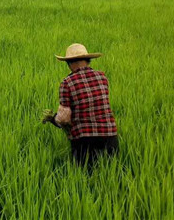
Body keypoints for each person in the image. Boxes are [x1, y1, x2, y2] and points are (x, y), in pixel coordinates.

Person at [42, 43, 118, 171]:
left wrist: (52, 118)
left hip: (84, 141)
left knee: (85, 179)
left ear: (69, 63)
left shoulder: (67, 83)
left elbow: (64, 118)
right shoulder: (102, 77)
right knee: (111, 174)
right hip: (110, 137)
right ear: (88, 60)